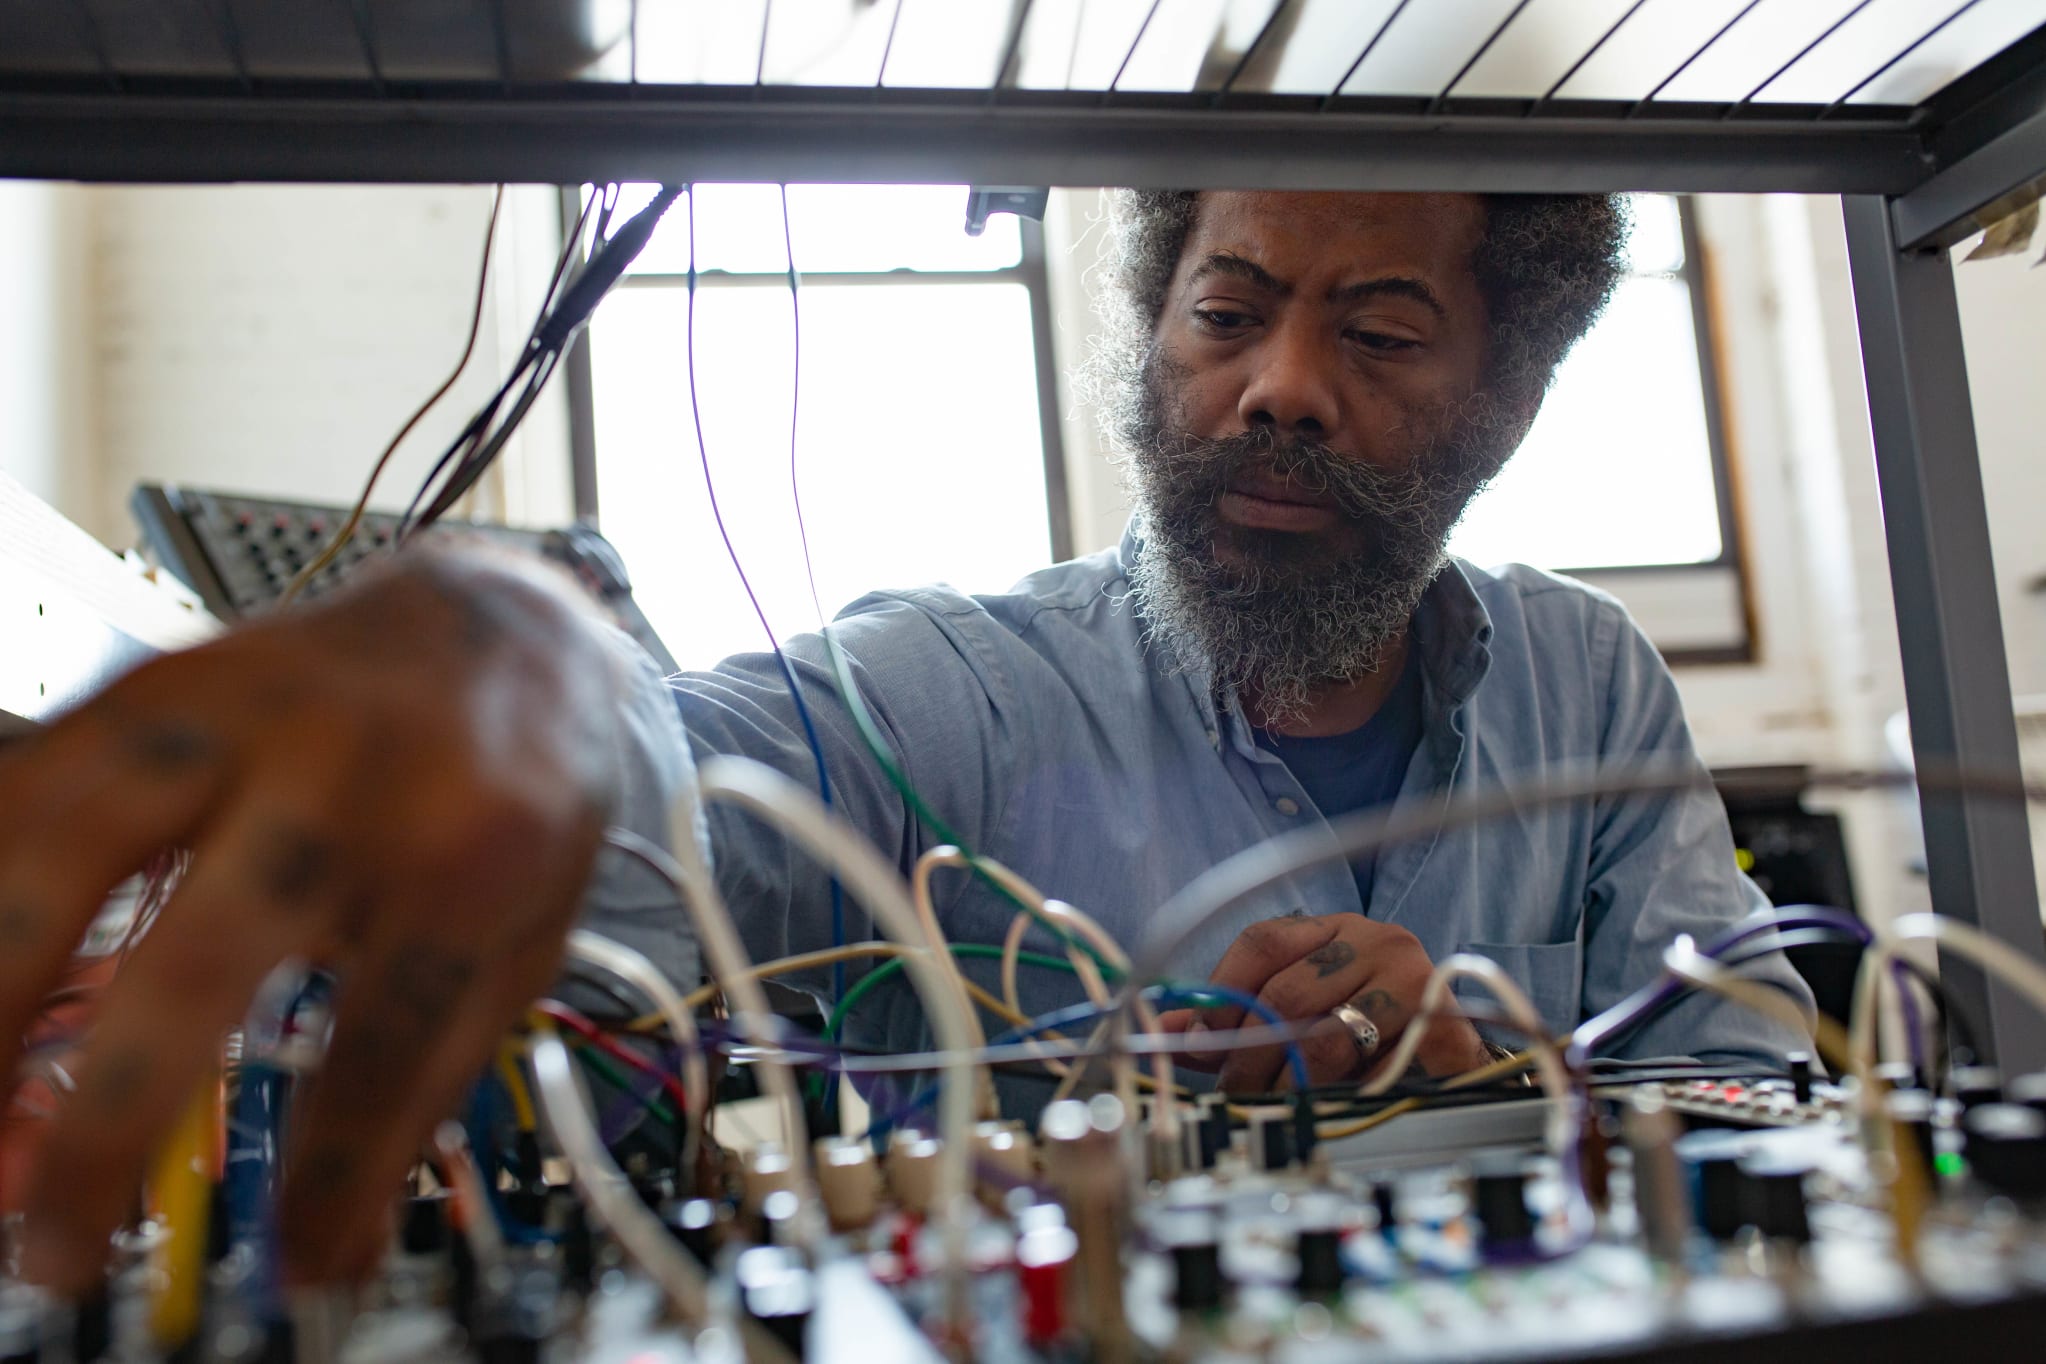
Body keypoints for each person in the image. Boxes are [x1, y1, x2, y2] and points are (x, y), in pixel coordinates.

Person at [0, 188, 1812, 1292]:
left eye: (1382, 328)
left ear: (1510, 389)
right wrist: (534, 669)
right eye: (1227, 312)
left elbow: (1767, 1086)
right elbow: (659, 812)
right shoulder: (945, 692)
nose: (1275, 386)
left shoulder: (1586, 679)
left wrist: (1498, 1074)